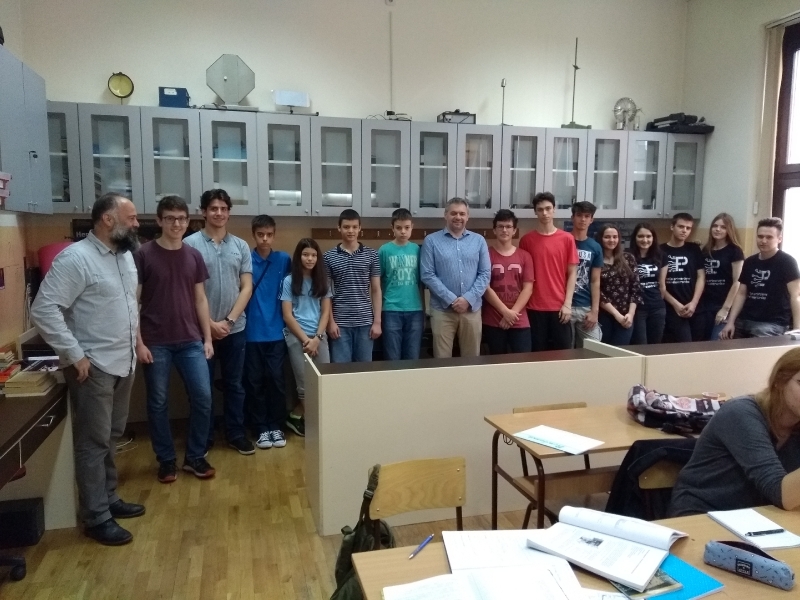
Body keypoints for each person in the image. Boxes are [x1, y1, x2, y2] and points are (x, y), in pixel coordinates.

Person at [31, 193, 144, 546]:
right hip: (93, 366)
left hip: (124, 360)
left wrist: (137, 345)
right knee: (93, 442)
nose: (137, 223)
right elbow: (44, 309)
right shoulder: (76, 259)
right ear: (108, 219)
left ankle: (108, 498)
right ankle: (96, 516)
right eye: (131, 217)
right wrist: (74, 354)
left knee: (111, 435)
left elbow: (130, 306)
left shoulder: (124, 256)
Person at [135, 195, 216, 484]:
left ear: (188, 221)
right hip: (155, 342)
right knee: (158, 403)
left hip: (191, 340)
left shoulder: (193, 255)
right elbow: (133, 302)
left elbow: (200, 299)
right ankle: (166, 460)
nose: (176, 224)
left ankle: (195, 456)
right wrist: (139, 342)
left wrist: (208, 338)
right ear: (159, 221)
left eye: (181, 219)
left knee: (203, 398)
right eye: (170, 218)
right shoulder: (143, 255)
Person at [669, 347, 800, 516]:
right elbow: (780, 492)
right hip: (702, 514)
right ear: (779, 382)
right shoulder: (741, 413)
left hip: (758, 517)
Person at [184, 189, 254, 456]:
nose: (219, 213)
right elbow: (186, 290)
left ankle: (235, 433)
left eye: (224, 209)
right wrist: (210, 325)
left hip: (235, 329)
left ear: (229, 213)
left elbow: (246, 287)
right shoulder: (189, 245)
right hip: (200, 331)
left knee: (235, 385)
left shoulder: (240, 246)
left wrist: (229, 320)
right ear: (203, 212)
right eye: (213, 208)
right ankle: (205, 436)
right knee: (201, 389)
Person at [242, 215, 292, 447]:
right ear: (253, 235)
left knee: (276, 381)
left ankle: (276, 426)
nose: (265, 239)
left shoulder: (283, 259)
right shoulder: (246, 259)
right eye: (260, 234)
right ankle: (261, 427)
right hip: (251, 332)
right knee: (254, 382)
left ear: (274, 235)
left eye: (269, 234)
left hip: (277, 332)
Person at [420, 197, 491, 358]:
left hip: (471, 310)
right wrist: (452, 300)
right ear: (445, 215)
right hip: (442, 311)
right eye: (453, 213)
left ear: (467, 216)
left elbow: (485, 273)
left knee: (471, 360)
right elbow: (427, 274)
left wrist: (467, 299)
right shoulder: (431, 241)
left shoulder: (479, 241)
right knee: (442, 361)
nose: (458, 217)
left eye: (462, 213)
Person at [281, 238, 332, 435]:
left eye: (313, 255)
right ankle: (315, 428)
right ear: (299, 257)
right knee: (304, 386)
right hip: (297, 337)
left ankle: (295, 415)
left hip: (319, 336)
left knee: (324, 381)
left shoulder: (323, 280)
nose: (310, 259)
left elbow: (325, 312)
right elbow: (287, 315)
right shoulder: (289, 280)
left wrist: (317, 338)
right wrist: (306, 340)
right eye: (305, 255)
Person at [720, 218, 800, 339]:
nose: (763, 241)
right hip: (743, 321)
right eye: (760, 236)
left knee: (755, 350)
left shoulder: (787, 262)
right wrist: (730, 322)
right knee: (725, 344)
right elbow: (741, 294)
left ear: (779, 239)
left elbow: (796, 296)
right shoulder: (750, 262)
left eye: (769, 237)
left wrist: (797, 328)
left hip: (772, 324)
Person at [518, 192, 578, 351]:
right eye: (540, 209)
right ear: (535, 212)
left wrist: (567, 304)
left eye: (548, 208)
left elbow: (572, 273)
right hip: (534, 308)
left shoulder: (567, 239)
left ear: (554, 209)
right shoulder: (526, 240)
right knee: (537, 355)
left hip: (560, 308)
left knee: (563, 354)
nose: (544, 213)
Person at [324, 209, 381, 363]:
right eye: (346, 227)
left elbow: (376, 290)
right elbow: (326, 293)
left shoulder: (372, 255)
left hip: (365, 322)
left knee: (363, 371)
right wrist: (330, 322)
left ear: (360, 228)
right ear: (339, 228)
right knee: (340, 371)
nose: (351, 231)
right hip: (340, 324)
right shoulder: (328, 257)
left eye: (355, 227)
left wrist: (377, 322)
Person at [481, 209, 534, 354]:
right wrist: (505, 312)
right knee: (497, 362)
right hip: (493, 319)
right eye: (500, 226)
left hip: (519, 319)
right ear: (494, 230)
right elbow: (485, 287)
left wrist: (512, 314)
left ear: (514, 230)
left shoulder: (525, 256)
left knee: (523, 362)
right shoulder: (486, 254)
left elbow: (528, 288)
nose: (504, 230)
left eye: (508, 226)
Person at [378, 208, 424, 360]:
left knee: (413, 357)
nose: (403, 231)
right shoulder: (384, 250)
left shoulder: (417, 250)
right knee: (392, 358)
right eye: (398, 228)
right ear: (392, 228)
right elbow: (376, 283)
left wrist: (423, 309)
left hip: (415, 309)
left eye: (406, 227)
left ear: (412, 227)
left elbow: (420, 282)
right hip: (391, 309)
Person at [695, 213, 744, 340]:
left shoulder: (735, 250)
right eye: (715, 226)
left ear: (729, 230)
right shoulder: (706, 250)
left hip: (723, 305)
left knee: (716, 343)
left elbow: (737, 282)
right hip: (705, 306)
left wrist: (725, 309)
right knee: (701, 344)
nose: (718, 229)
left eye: (723, 227)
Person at [659, 213, 705, 342]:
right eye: (681, 226)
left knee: (699, 345)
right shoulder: (660, 250)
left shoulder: (694, 249)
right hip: (671, 307)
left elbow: (701, 277)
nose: (684, 230)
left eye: (688, 228)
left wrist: (694, 303)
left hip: (695, 307)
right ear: (672, 227)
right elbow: (659, 283)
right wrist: (675, 304)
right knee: (684, 343)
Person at [596, 224, 642, 346]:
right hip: (604, 314)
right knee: (604, 352)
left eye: (615, 237)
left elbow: (635, 288)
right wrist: (616, 315)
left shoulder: (628, 258)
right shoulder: (596, 259)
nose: (611, 240)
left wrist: (630, 314)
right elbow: (596, 291)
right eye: (607, 237)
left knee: (621, 351)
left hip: (626, 315)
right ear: (600, 238)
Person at [568, 201, 603, 347]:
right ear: (572, 217)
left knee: (594, 349)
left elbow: (595, 281)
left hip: (585, 307)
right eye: (579, 215)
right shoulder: (563, 241)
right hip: (564, 306)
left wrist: (595, 311)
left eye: (587, 216)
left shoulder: (595, 247)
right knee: (565, 352)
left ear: (591, 219)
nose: (583, 219)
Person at [629, 223, 666, 345]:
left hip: (657, 307)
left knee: (655, 345)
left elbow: (662, 284)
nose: (645, 240)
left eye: (648, 236)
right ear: (635, 238)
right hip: (638, 308)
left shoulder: (661, 255)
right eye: (640, 236)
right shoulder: (627, 256)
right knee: (641, 345)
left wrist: (659, 301)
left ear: (653, 238)